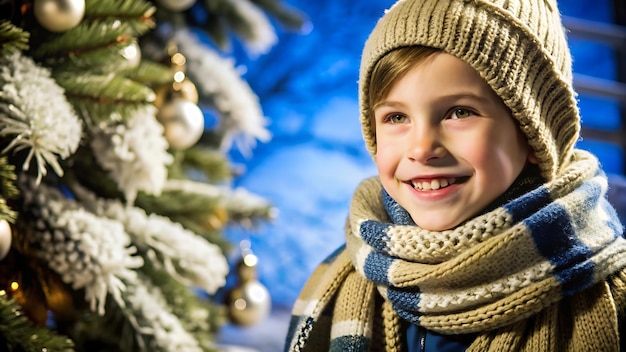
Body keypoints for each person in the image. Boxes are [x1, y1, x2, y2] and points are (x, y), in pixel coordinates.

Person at [284, 0, 626, 351]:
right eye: (396, 118)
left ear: (533, 134)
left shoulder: (611, 297)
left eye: (459, 112)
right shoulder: (341, 277)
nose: (421, 148)